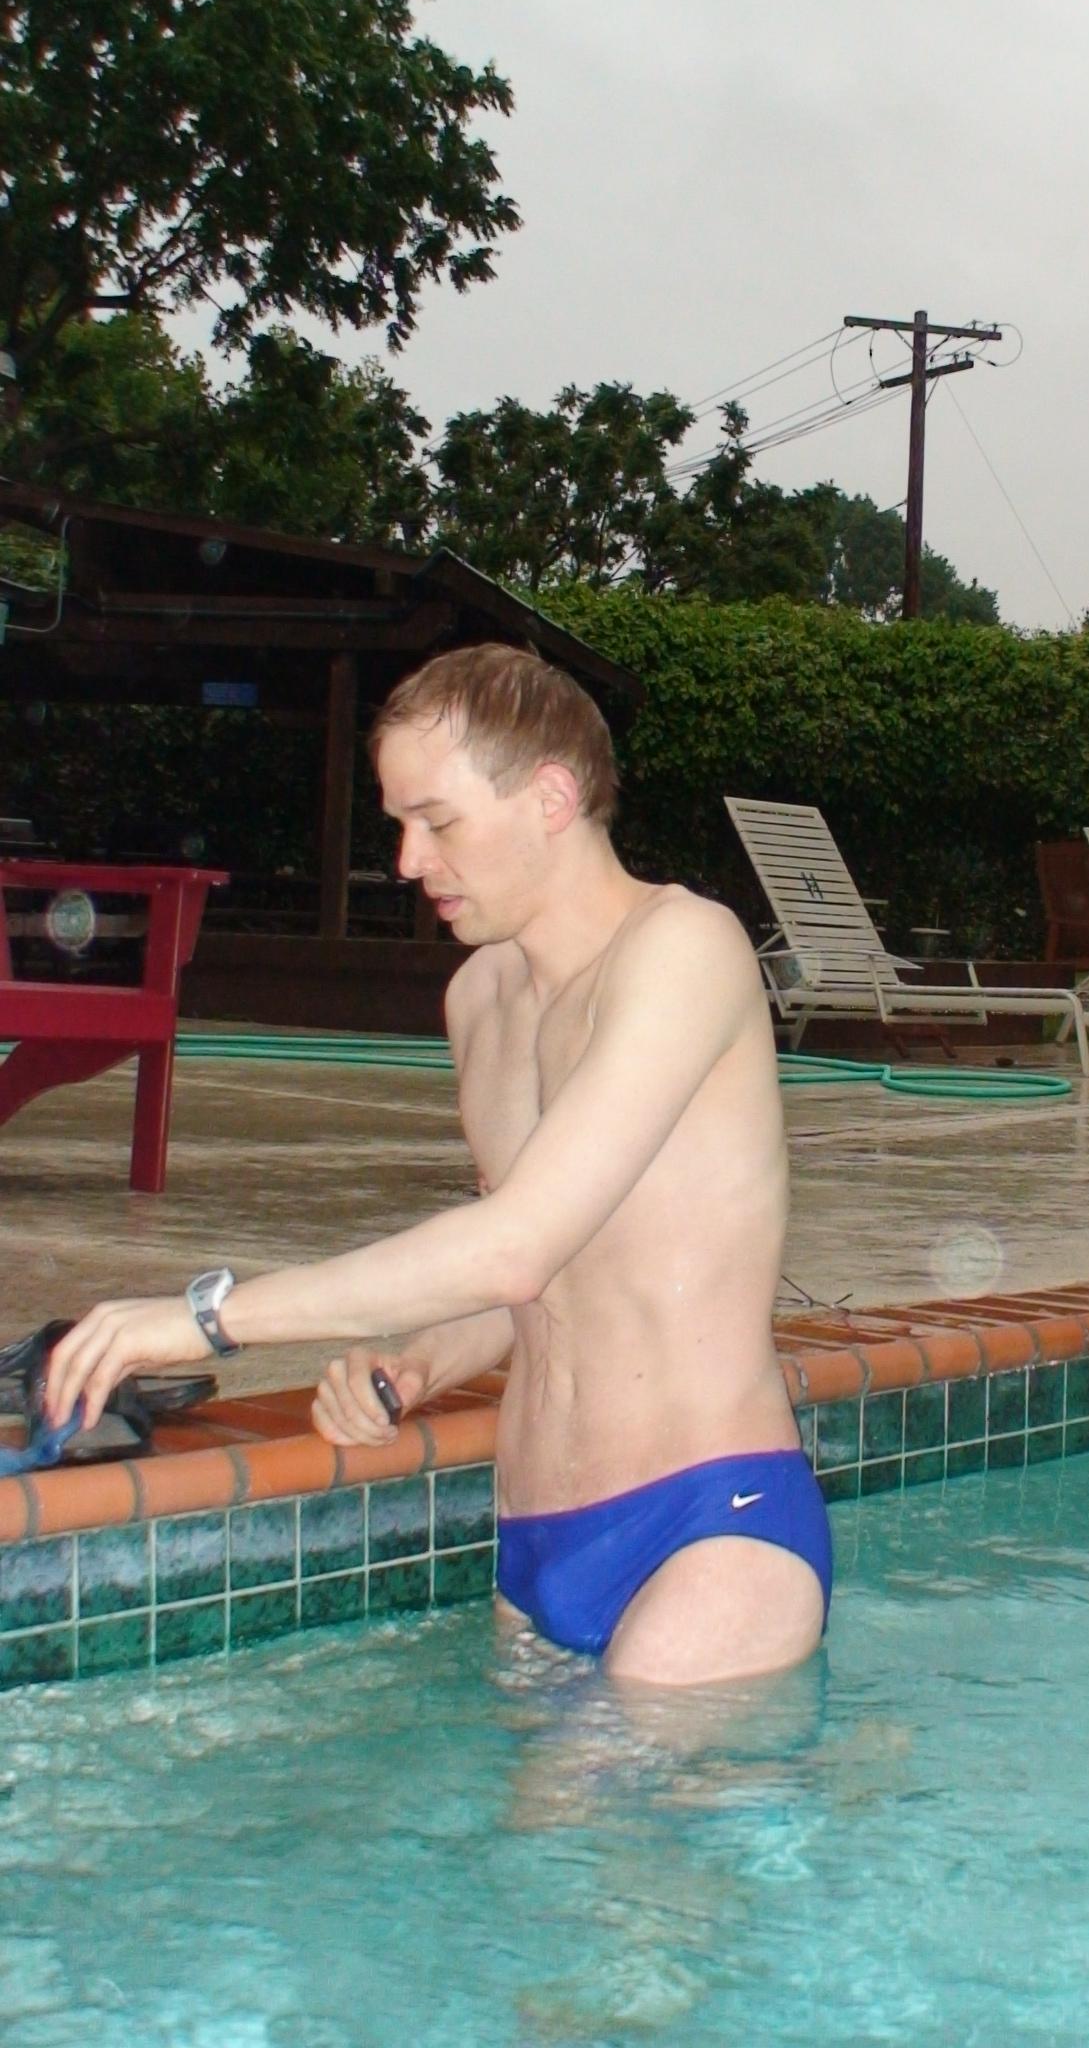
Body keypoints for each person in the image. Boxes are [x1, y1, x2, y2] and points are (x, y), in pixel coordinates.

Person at [45, 643, 830, 1686]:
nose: (408, 862)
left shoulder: (685, 950)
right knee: (524, 1847)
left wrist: (198, 1316)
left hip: (707, 1526)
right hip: (538, 1540)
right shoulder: (481, 1005)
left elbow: (514, 1245)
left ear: (551, 796)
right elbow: (542, 1281)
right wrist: (416, 1363)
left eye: (438, 822)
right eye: (398, 827)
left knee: (591, 1834)